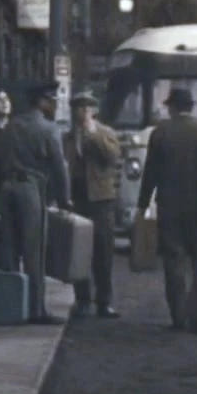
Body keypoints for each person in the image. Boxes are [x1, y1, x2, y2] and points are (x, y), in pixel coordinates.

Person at [0, 83, 73, 325]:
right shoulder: (48, 129)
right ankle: (36, 310)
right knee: (34, 251)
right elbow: (59, 167)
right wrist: (65, 199)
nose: (54, 105)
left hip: (6, 191)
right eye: (52, 100)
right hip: (30, 190)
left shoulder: (11, 126)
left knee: (9, 251)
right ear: (42, 102)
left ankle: (11, 307)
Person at [136, 87, 197, 329]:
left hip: (169, 205)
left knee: (173, 261)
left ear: (171, 107)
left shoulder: (160, 133)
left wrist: (143, 204)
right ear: (191, 107)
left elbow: (150, 172)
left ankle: (179, 316)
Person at [65, 91, 123, 318]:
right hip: (78, 198)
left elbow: (111, 157)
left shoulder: (105, 133)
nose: (82, 112)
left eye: (86, 108)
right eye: (78, 108)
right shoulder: (68, 137)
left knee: (103, 252)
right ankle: (82, 299)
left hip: (101, 199)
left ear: (94, 111)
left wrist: (92, 133)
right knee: (79, 251)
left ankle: (104, 301)